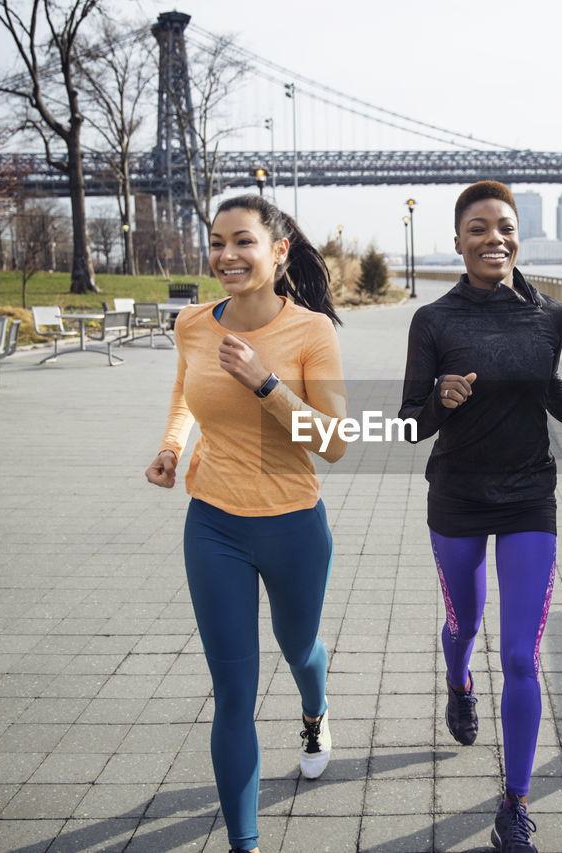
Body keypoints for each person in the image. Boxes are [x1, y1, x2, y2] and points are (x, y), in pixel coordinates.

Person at [399, 181, 562, 853]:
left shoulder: (551, 316)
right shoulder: (433, 322)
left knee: (522, 655)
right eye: (478, 228)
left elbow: (545, 383)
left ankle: (515, 804)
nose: (494, 237)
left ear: (518, 235)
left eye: (505, 226)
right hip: (458, 496)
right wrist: (439, 398)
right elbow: (408, 428)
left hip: (530, 496)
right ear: (458, 240)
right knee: (464, 621)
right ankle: (458, 681)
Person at [144, 194, 346, 853]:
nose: (226, 255)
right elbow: (185, 394)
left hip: (293, 523)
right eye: (217, 241)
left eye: (243, 242)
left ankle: (314, 716)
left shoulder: (312, 331)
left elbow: (336, 442)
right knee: (233, 690)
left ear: (278, 251)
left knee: (299, 647)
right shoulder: (194, 323)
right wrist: (173, 446)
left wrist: (266, 383)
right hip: (214, 525)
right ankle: (244, 843)